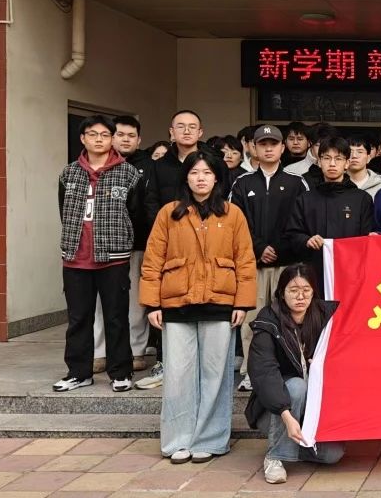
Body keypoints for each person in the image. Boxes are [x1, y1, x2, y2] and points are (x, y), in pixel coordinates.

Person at [141, 151, 257, 464]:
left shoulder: (232, 214)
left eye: (206, 172)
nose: (201, 178)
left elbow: (245, 260)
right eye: (194, 173)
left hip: (220, 304)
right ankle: (178, 440)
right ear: (186, 178)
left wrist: (243, 302)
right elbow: (153, 260)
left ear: (217, 177)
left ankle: (211, 439)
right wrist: (152, 303)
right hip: (176, 304)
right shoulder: (169, 213)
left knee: (215, 375)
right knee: (178, 375)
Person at [56, 115, 144, 393]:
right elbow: (64, 211)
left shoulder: (129, 174)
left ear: (112, 139)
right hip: (75, 258)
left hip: (113, 258)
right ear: (83, 139)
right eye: (92, 134)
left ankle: (121, 372)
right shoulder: (68, 173)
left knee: (116, 317)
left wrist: (121, 239)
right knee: (78, 318)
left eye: (105, 135)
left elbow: (136, 214)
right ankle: (78, 372)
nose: (98, 139)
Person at [138, 110, 219, 390]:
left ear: (201, 132)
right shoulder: (158, 165)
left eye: (192, 127)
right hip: (170, 244)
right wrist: (167, 233)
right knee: (169, 303)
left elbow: (221, 200)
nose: (186, 131)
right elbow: (150, 202)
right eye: (180, 127)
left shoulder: (212, 161)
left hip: (207, 244)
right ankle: (164, 361)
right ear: (171, 132)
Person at [245, 263, 345, 484]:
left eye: (306, 290)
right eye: (293, 290)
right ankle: (275, 457)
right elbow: (264, 373)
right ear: (282, 293)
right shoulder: (268, 320)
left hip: (312, 411)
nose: (300, 297)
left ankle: (293, 446)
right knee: (297, 386)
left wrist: (326, 363)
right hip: (276, 411)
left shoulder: (326, 315)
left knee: (333, 455)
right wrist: (286, 415)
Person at [229, 124, 309, 393]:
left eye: (273, 144)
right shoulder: (242, 183)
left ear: (282, 148)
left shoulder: (297, 183)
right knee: (252, 320)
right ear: (253, 147)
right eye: (262, 144)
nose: (268, 148)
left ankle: (288, 370)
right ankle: (252, 371)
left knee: (289, 318)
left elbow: (301, 222)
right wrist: (259, 247)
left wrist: (279, 247)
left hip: (287, 265)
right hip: (252, 264)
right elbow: (235, 223)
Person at [92, 115, 154, 375]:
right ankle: (99, 352)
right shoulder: (96, 165)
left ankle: (136, 350)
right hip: (102, 245)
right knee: (100, 301)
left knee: (135, 301)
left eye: (131, 136)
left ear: (139, 140)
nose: (125, 140)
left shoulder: (149, 168)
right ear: (110, 137)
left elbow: (149, 207)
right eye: (120, 134)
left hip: (138, 244)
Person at [284, 137, 376, 268]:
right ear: (319, 162)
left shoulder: (362, 199)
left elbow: (368, 238)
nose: (332, 164)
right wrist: (306, 240)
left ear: (347, 163)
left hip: (351, 269)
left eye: (338, 159)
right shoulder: (305, 199)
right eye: (327, 158)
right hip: (314, 270)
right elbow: (292, 233)